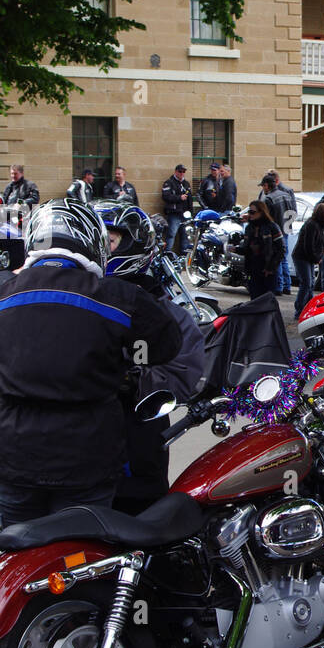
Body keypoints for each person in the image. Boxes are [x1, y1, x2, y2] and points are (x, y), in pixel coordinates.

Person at [0, 199, 183, 527]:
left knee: (14, 556)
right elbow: (165, 345)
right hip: (87, 461)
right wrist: (120, 358)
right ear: (91, 241)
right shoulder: (118, 296)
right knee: (79, 556)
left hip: (13, 457)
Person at [97, 204, 206, 516]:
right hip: (77, 459)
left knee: (143, 530)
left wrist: (131, 377)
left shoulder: (167, 313)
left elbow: (185, 374)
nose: (103, 248)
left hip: (136, 449)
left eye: (111, 240)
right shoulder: (76, 301)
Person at [241, 199, 284, 300]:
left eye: (252, 212)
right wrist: (236, 249)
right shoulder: (249, 228)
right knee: (254, 299)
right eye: (249, 212)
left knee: (266, 300)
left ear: (261, 212)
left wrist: (271, 268)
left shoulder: (272, 227)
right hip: (253, 267)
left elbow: (280, 249)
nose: (250, 215)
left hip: (267, 268)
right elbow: (246, 249)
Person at [293, 202, 324, 319]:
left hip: (306, 256)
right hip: (302, 256)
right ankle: (299, 310)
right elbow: (308, 246)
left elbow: (321, 238)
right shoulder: (312, 225)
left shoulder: (317, 224)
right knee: (307, 282)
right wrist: (316, 258)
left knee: (310, 283)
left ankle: (306, 308)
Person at [160, 164, 192, 257]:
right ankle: (167, 255)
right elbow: (165, 196)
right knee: (171, 235)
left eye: (183, 172)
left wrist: (190, 212)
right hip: (174, 214)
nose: (182, 173)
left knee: (185, 236)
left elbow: (190, 198)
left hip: (185, 214)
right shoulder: (169, 183)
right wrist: (179, 198)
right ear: (176, 172)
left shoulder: (186, 184)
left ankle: (184, 256)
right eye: (180, 171)